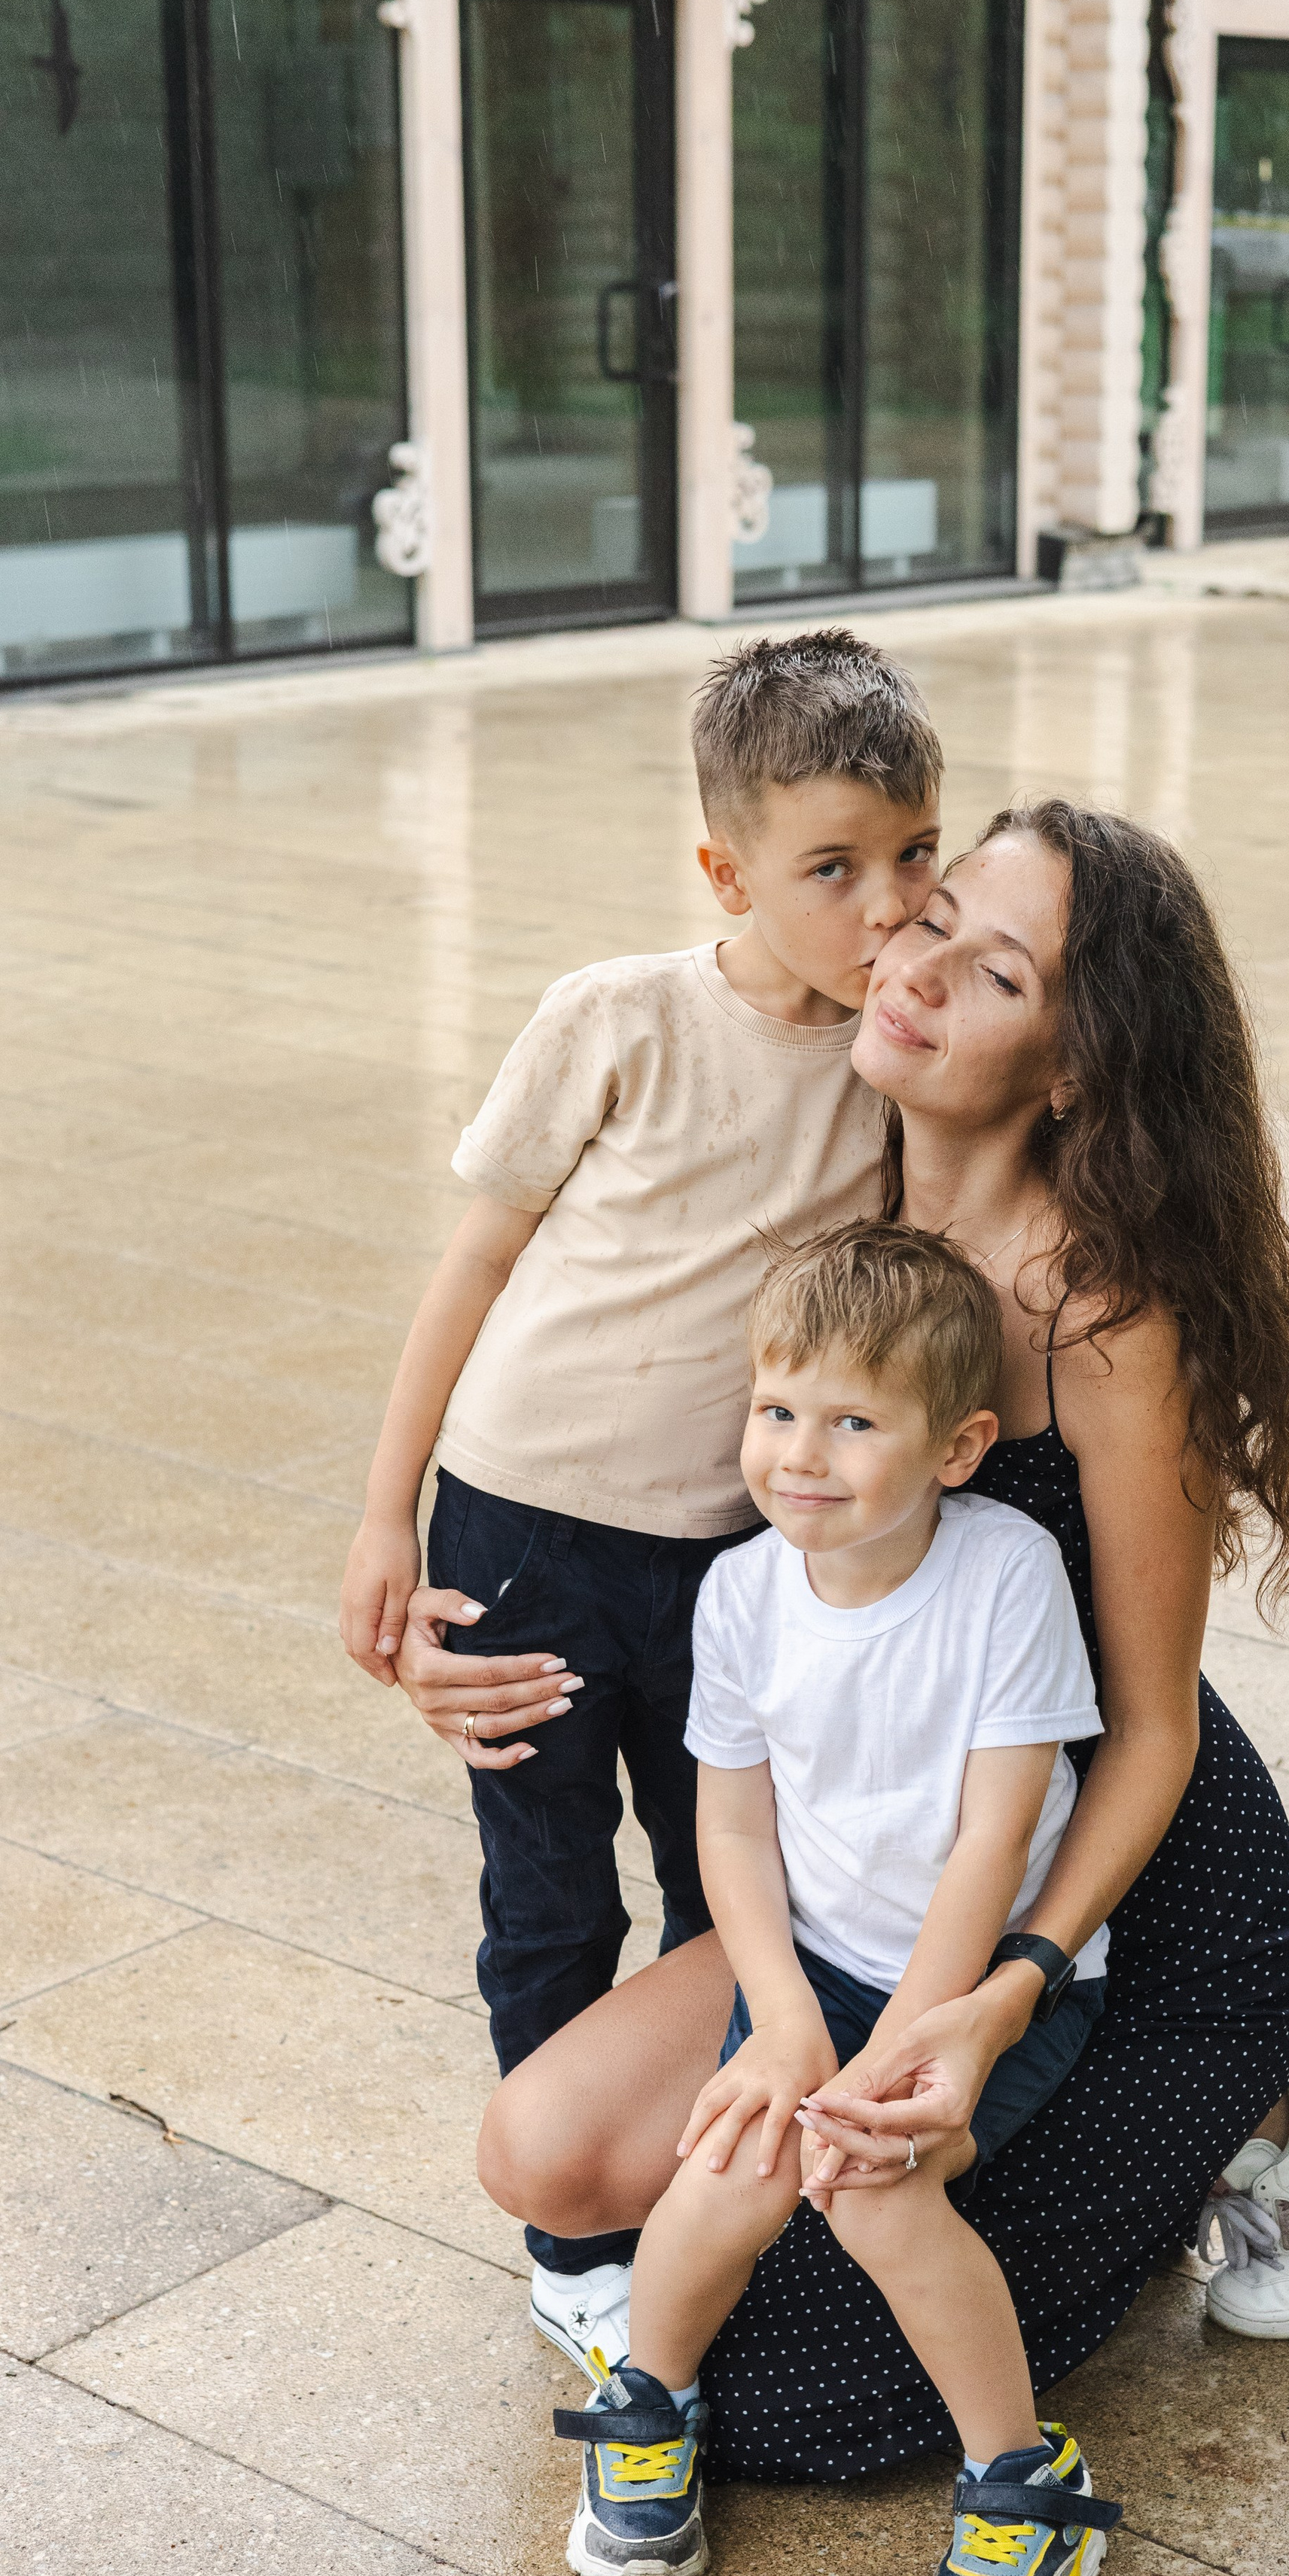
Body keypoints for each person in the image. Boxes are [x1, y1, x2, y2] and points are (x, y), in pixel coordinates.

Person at [474, 797, 1289, 2486]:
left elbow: (1155, 1725)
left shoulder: (1103, 1310)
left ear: (1074, 1070)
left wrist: (994, 1995)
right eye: (932, 918)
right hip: (873, 1851)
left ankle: (1271, 2103)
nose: (918, 974)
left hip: (1115, 1904)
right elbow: (562, 1347)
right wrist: (470, 1610)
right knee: (548, 2156)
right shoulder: (823, 1144)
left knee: (806, 2409)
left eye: (997, 972)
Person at [337, 630, 941, 2380]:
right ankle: (570, 2242)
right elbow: (470, 1270)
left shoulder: (884, 1062)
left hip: (740, 1559)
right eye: (828, 867)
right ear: (725, 868)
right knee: (547, 1901)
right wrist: (387, 1519)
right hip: (523, 1523)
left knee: (721, 1888)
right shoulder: (617, 1016)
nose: (880, 900)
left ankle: (701, 2184)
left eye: (910, 854)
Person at [559, 1221, 1123, 2576]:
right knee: (731, 2168)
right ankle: (651, 2406)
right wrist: (788, 2022)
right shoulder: (742, 1594)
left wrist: (891, 2051)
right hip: (818, 1974)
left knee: (870, 2193)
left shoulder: (1005, 1575)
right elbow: (729, 1839)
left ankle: (1022, 2481)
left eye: (855, 1422)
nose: (801, 1454)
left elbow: (994, 1844)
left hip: (978, 1984)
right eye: (778, 1410)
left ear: (957, 1446)